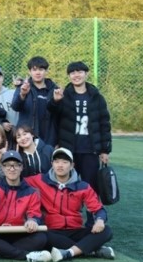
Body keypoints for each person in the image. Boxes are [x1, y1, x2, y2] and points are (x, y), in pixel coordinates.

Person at [25, 148, 115, 262]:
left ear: (72, 165)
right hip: (52, 230)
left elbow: (99, 209)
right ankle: (92, 249)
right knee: (41, 236)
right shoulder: (40, 180)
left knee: (106, 231)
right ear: (52, 164)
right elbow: (16, 181)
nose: (60, 165)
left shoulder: (82, 186)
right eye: (57, 161)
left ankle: (69, 252)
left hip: (75, 230)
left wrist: (100, 220)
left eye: (64, 162)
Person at [47, 61, 112, 192]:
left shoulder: (97, 97)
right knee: (68, 185)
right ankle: (69, 206)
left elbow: (104, 124)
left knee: (91, 186)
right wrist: (56, 101)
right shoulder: (63, 95)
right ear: (69, 76)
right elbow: (53, 115)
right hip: (68, 149)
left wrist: (105, 150)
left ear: (86, 74)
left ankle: (92, 206)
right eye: (72, 73)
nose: (76, 75)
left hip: (90, 150)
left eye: (80, 72)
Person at [0, 150, 51, 262]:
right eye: (7, 165)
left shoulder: (31, 191)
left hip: (19, 233)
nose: (12, 169)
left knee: (41, 238)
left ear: (21, 167)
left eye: (15, 165)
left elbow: (34, 213)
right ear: (3, 168)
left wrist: (32, 221)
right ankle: (26, 256)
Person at [12, 56, 59, 146]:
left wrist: (57, 101)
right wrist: (23, 94)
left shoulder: (54, 89)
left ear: (46, 71)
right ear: (29, 71)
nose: (38, 72)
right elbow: (15, 107)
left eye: (41, 69)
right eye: (34, 70)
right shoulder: (23, 87)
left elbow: (59, 114)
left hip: (49, 138)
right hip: (28, 137)